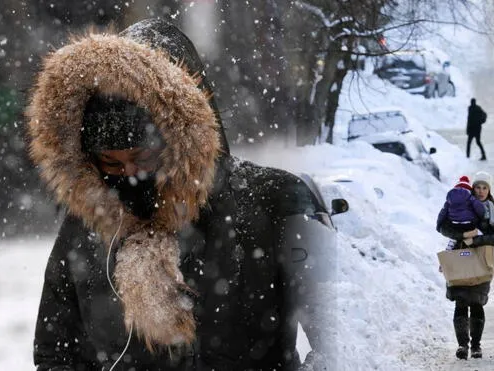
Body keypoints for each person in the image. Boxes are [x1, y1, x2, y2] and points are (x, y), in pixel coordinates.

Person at [27, 19, 326, 371]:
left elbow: (341, 335)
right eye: (111, 163)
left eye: (142, 158)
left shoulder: (271, 199)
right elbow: (56, 353)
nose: (128, 175)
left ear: (178, 140)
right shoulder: (86, 228)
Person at [437, 172, 494, 360]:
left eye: (485, 187)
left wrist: (474, 240)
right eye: (478, 187)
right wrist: (461, 236)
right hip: (459, 259)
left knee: (476, 303)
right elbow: (441, 226)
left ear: (489, 190)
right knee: (460, 302)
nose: (481, 191)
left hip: (481, 259)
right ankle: (461, 346)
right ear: (472, 188)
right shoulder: (459, 203)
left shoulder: (490, 209)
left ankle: (476, 346)